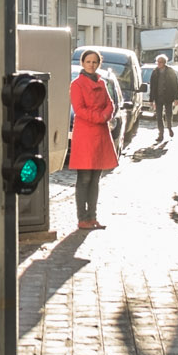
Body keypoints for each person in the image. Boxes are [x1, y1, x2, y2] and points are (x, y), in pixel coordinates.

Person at [69, 50, 118, 230]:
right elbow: (79, 109)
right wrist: (101, 116)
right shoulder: (76, 84)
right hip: (85, 135)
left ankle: (93, 217)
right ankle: (82, 218)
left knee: (95, 179)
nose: (91, 64)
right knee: (84, 178)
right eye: (88, 61)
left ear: (99, 63)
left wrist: (105, 114)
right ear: (83, 63)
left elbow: (110, 104)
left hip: (100, 134)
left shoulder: (102, 83)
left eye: (94, 62)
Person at [149, 55, 178, 144]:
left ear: (164, 63)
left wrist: (176, 98)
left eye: (160, 62)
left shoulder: (170, 71)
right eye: (157, 62)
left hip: (168, 97)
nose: (158, 64)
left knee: (168, 114)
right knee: (159, 116)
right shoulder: (155, 72)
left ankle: (170, 127)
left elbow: (175, 85)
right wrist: (151, 100)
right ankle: (161, 133)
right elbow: (152, 87)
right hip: (158, 97)